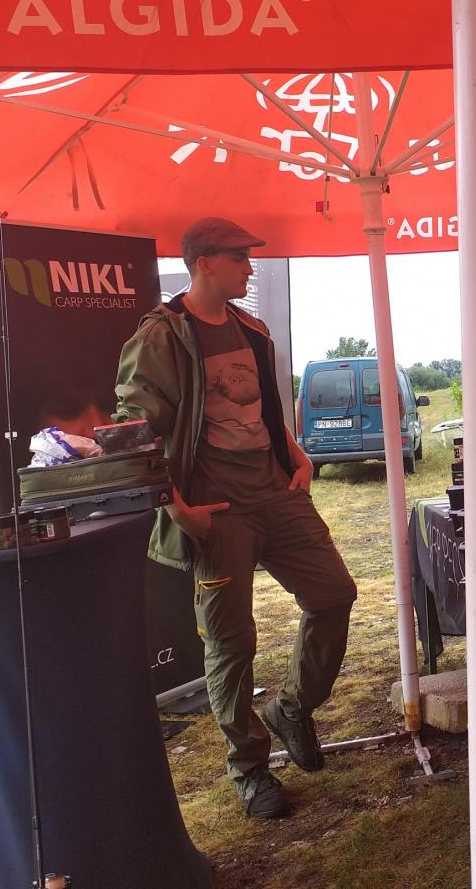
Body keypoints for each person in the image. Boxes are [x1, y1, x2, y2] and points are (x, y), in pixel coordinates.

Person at [113, 217, 357, 819]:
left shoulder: (252, 329)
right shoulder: (162, 336)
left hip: (277, 492)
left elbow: (266, 408)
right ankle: (249, 770)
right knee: (230, 641)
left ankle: (291, 709)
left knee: (333, 594)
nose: (250, 268)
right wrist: (175, 506)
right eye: (239, 258)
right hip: (217, 509)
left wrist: (296, 453)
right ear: (204, 263)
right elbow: (134, 432)